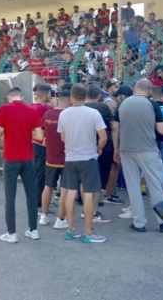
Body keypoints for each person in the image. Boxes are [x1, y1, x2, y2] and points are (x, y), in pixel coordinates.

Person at [112, 79, 163, 233]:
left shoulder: (122, 104)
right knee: (155, 186)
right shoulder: (153, 105)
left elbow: (115, 127)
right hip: (148, 149)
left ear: (135, 89)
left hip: (126, 148)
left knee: (133, 186)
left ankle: (139, 223)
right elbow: (162, 130)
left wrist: (116, 149)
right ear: (150, 91)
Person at [58, 84, 108, 243]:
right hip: (89, 158)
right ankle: (88, 231)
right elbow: (104, 137)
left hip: (70, 158)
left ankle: (70, 229)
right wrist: (98, 148)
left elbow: (63, 138)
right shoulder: (94, 113)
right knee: (88, 194)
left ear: (72, 97)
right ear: (85, 96)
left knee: (70, 194)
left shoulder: (64, 114)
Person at [0, 87, 43, 243]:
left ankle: (12, 233)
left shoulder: (4, 109)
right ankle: (33, 230)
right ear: (22, 96)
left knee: (10, 197)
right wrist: (27, 131)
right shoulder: (32, 110)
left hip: (11, 157)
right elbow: (40, 135)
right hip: (28, 158)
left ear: (9, 97)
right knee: (31, 195)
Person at [39, 87, 70, 229]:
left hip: (50, 156)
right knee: (64, 189)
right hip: (66, 157)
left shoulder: (47, 114)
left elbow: (42, 135)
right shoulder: (69, 115)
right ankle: (60, 219)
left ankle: (43, 216)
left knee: (48, 186)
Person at [31, 84, 53, 211]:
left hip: (32, 142)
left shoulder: (31, 107)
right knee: (41, 174)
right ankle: (39, 202)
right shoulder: (44, 108)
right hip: (42, 143)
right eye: (49, 94)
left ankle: (36, 199)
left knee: (36, 173)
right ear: (45, 95)